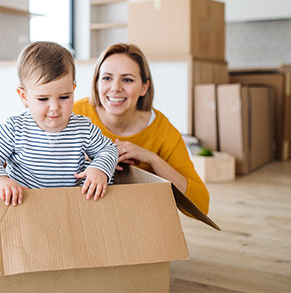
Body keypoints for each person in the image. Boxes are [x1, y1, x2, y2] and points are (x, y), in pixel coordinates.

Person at [0, 41, 118, 206]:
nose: (55, 107)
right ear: (24, 97)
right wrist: (0, 180)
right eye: (43, 99)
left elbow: (109, 150)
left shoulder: (83, 128)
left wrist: (99, 169)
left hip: (70, 206)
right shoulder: (15, 129)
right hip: (24, 204)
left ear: (73, 90)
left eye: (64, 97)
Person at [73, 43, 209, 214]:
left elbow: (201, 204)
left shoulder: (163, 131)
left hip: (137, 218)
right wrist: (97, 160)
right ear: (97, 83)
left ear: (144, 87)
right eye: (107, 78)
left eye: (127, 79)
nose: (115, 88)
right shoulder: (74, 115)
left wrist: (152, 159)